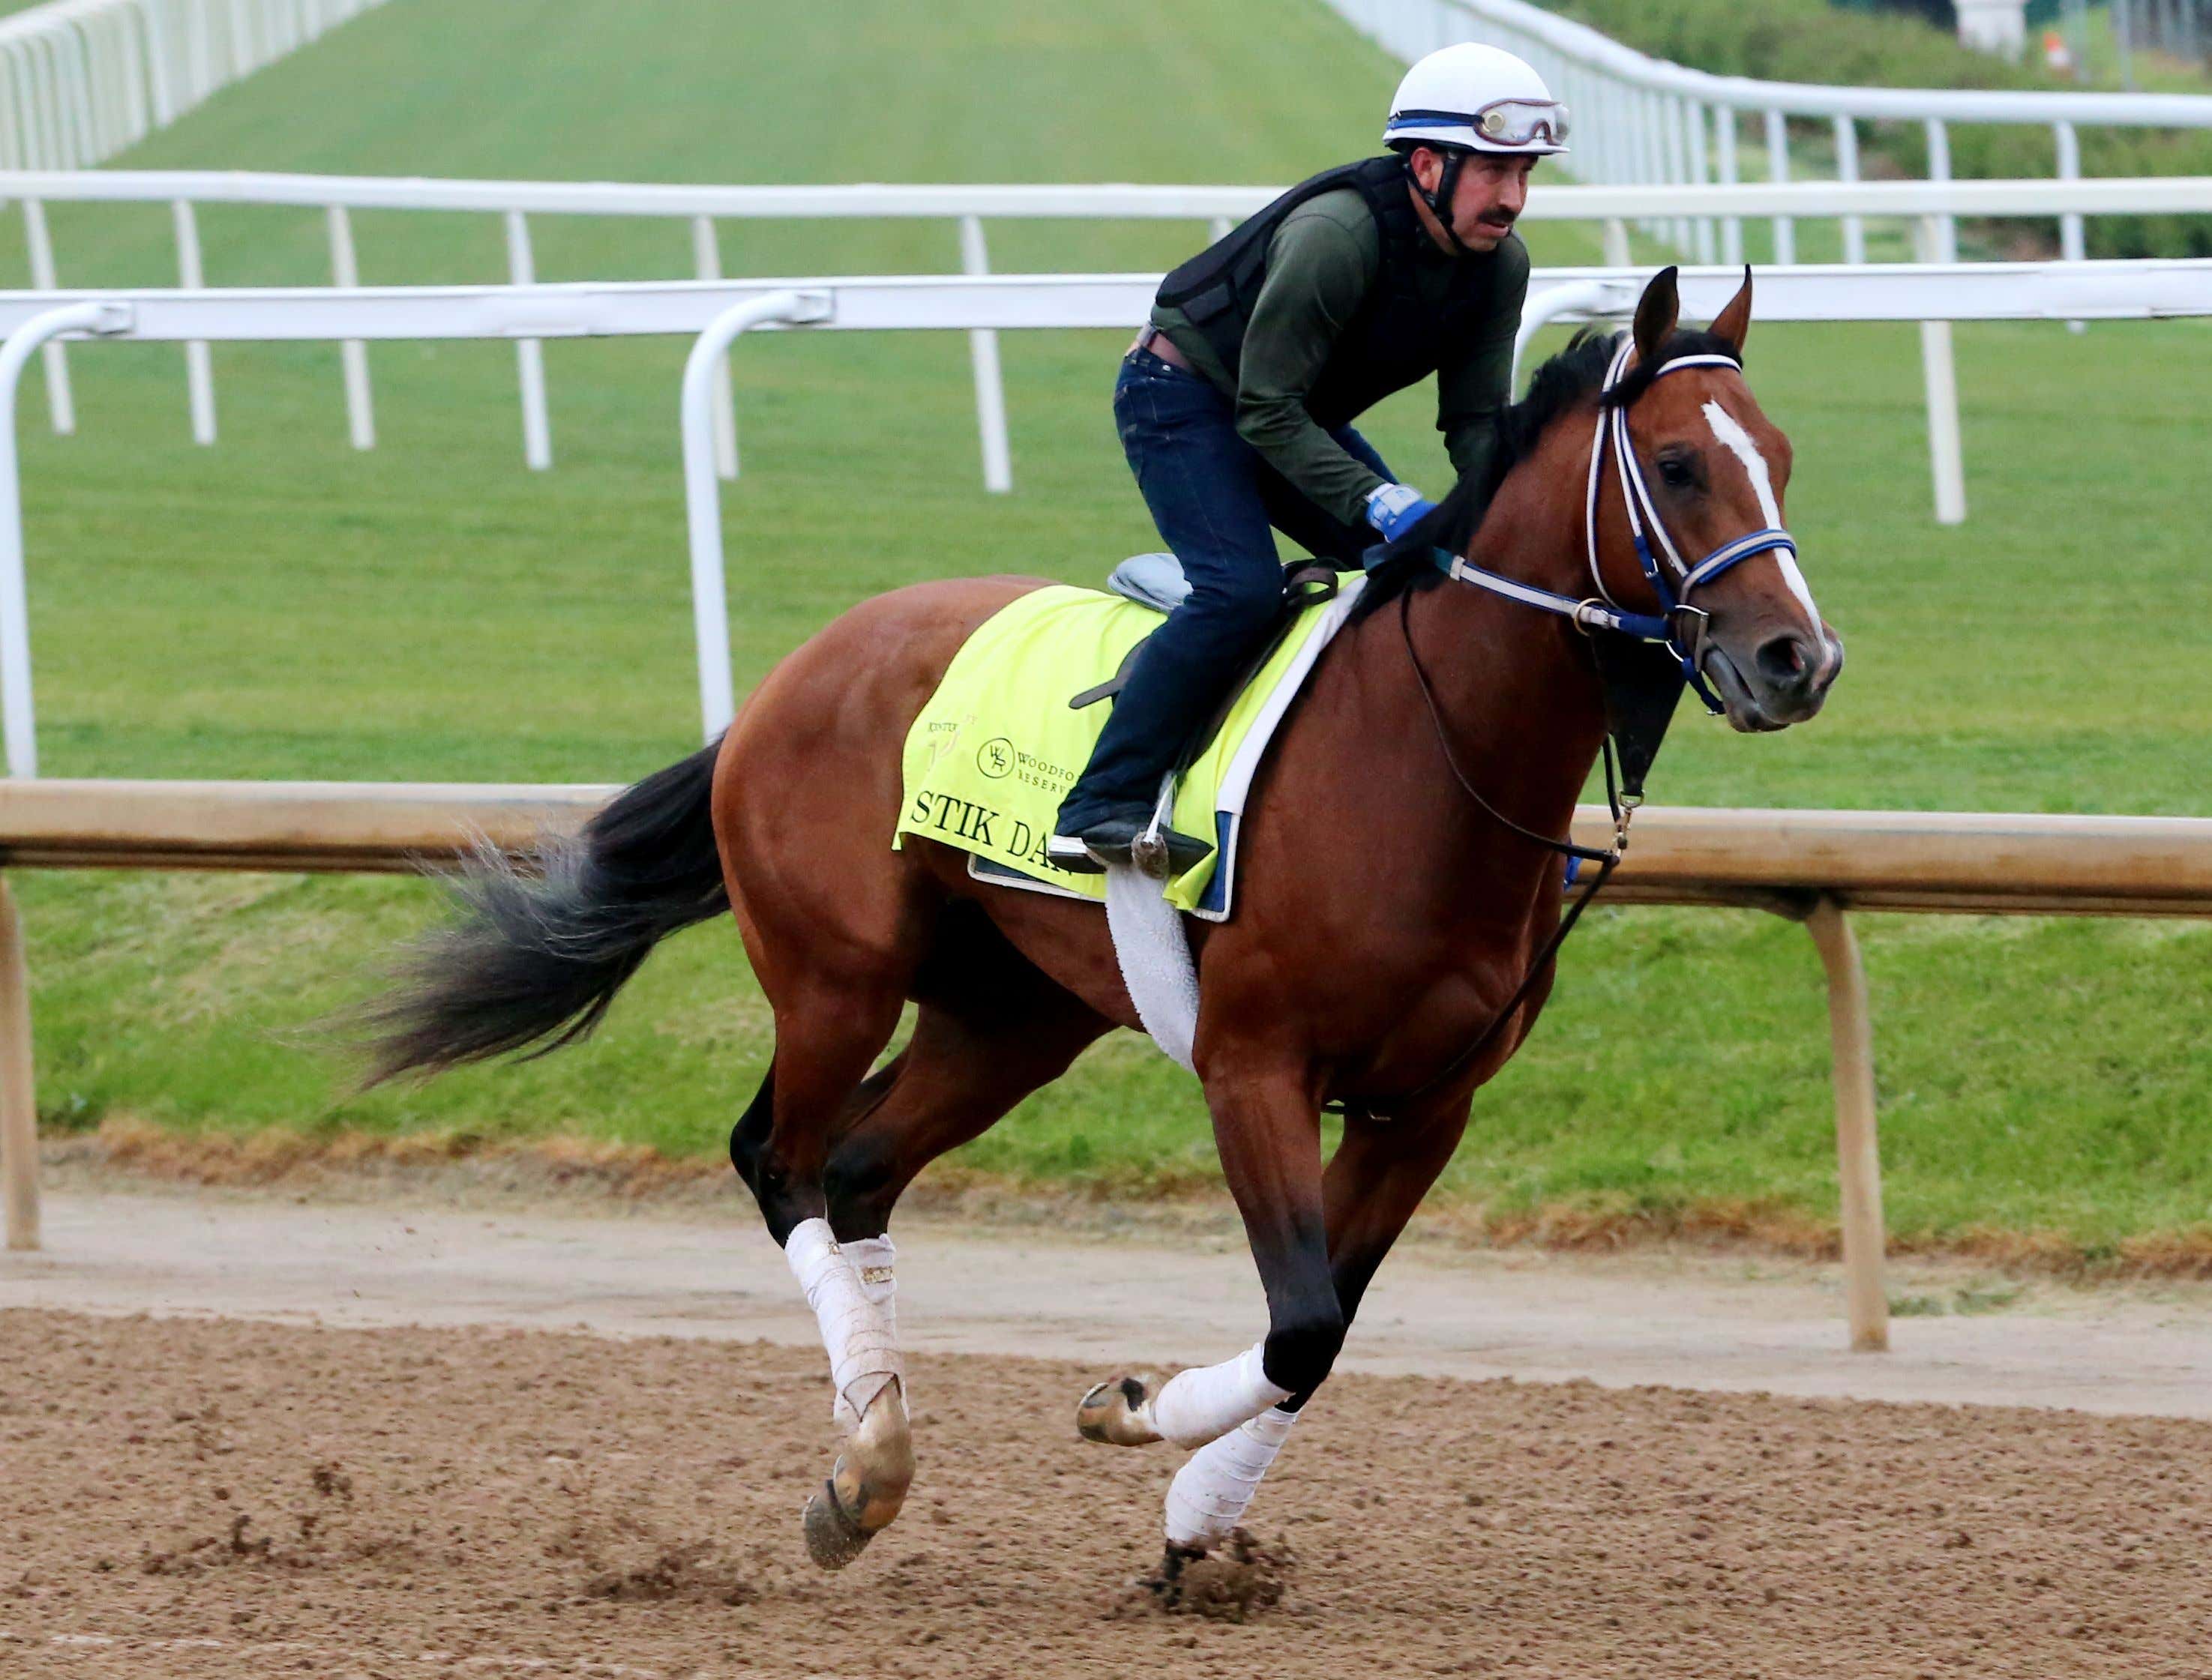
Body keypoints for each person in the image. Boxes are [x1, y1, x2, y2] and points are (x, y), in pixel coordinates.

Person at [1046, 43, 1569, 876]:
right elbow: (1263, 411)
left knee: (1434, 574)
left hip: (1288, 417)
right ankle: (1096, 804)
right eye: (1492, 172)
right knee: (1239, 591)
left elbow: (1474, 423)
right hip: (1180, 398)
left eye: (1525, 173)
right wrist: (1378, 500)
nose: (1511, 198)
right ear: (1427, 164)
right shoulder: (1337, 235)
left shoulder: (1500, 265)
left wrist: (1507, 519)